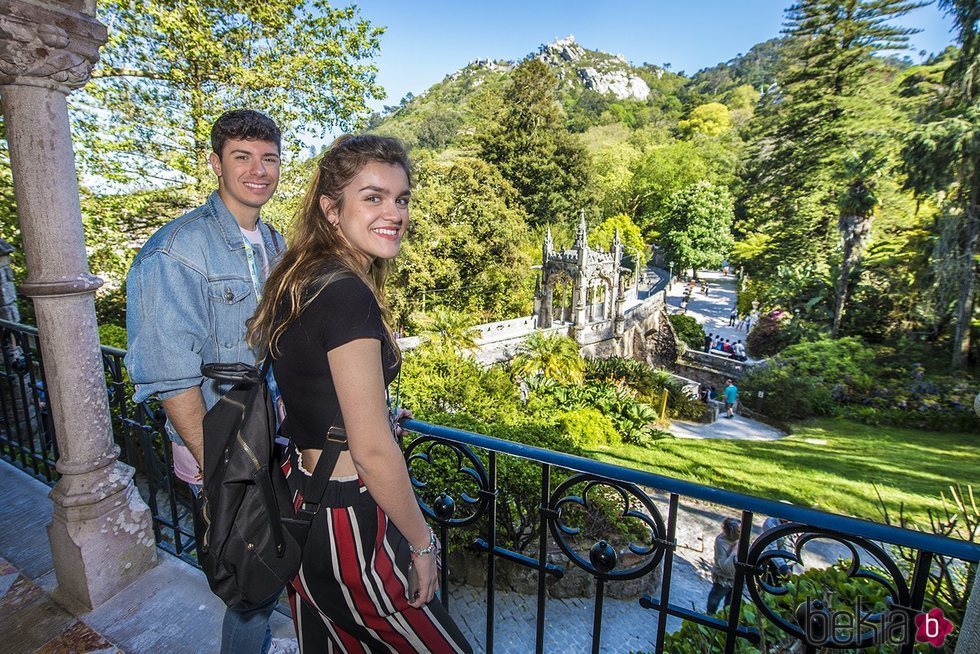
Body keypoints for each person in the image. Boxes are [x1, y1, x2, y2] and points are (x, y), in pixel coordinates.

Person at [247, 135, 471, 653]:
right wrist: (422, 544)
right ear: (331, 208)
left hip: (304, 498)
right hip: (348, 519)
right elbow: (370, 451)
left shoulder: (301, 277)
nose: (394, 211)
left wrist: (375, 412)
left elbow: (312, 388)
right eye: (373, 197)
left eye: (402, 198)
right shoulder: (347, 294)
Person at [125, 110, 295, 654]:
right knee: (248, 586)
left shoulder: (274, 243)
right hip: (223, 450)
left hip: (274, 437)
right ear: (215, 163)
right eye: (242, 157)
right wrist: (218, 469)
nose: (258, 170)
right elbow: (169, 373)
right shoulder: (176, 250)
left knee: (277, 559)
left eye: (268, 158)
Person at [707, 517, 741, 613]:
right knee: (715, 599)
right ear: (730, 531)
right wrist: (735, 551)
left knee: (731, 604)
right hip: (724, 578)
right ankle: (709, 617)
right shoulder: (721, 541)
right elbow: (725, 567)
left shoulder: (742, 539)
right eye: (738, 531)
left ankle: (727, 621)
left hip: (737, 577)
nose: (742, 532)